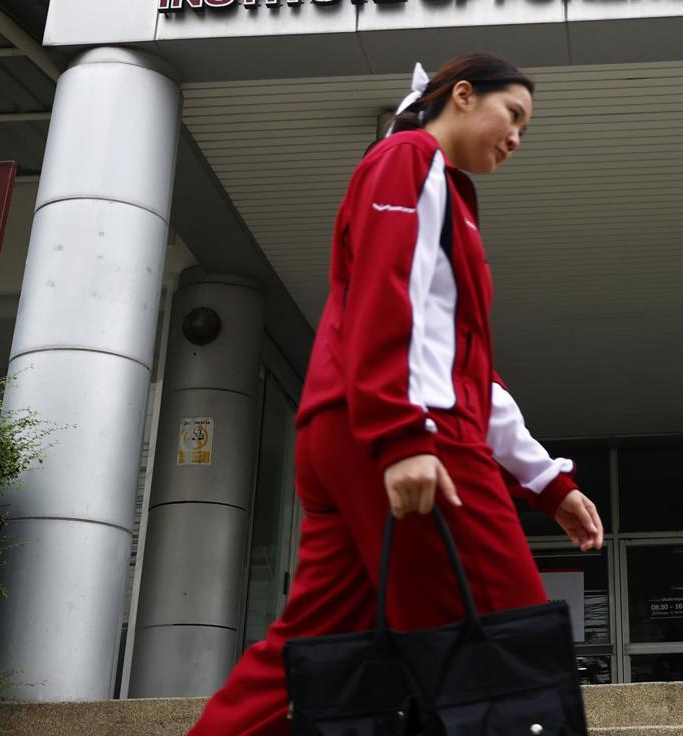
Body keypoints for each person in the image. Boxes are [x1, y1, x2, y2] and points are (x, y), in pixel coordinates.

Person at [189, 54, 604, 736]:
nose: (517, 138)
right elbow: (390, 297)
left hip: (354, 429)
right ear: (463, 96)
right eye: (514, 116)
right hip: (407, 430)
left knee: (307, 645)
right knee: (505, 630)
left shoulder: (441, 186)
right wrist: (401, 436)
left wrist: (548, 481)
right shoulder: (409, 160)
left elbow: (463, 364)